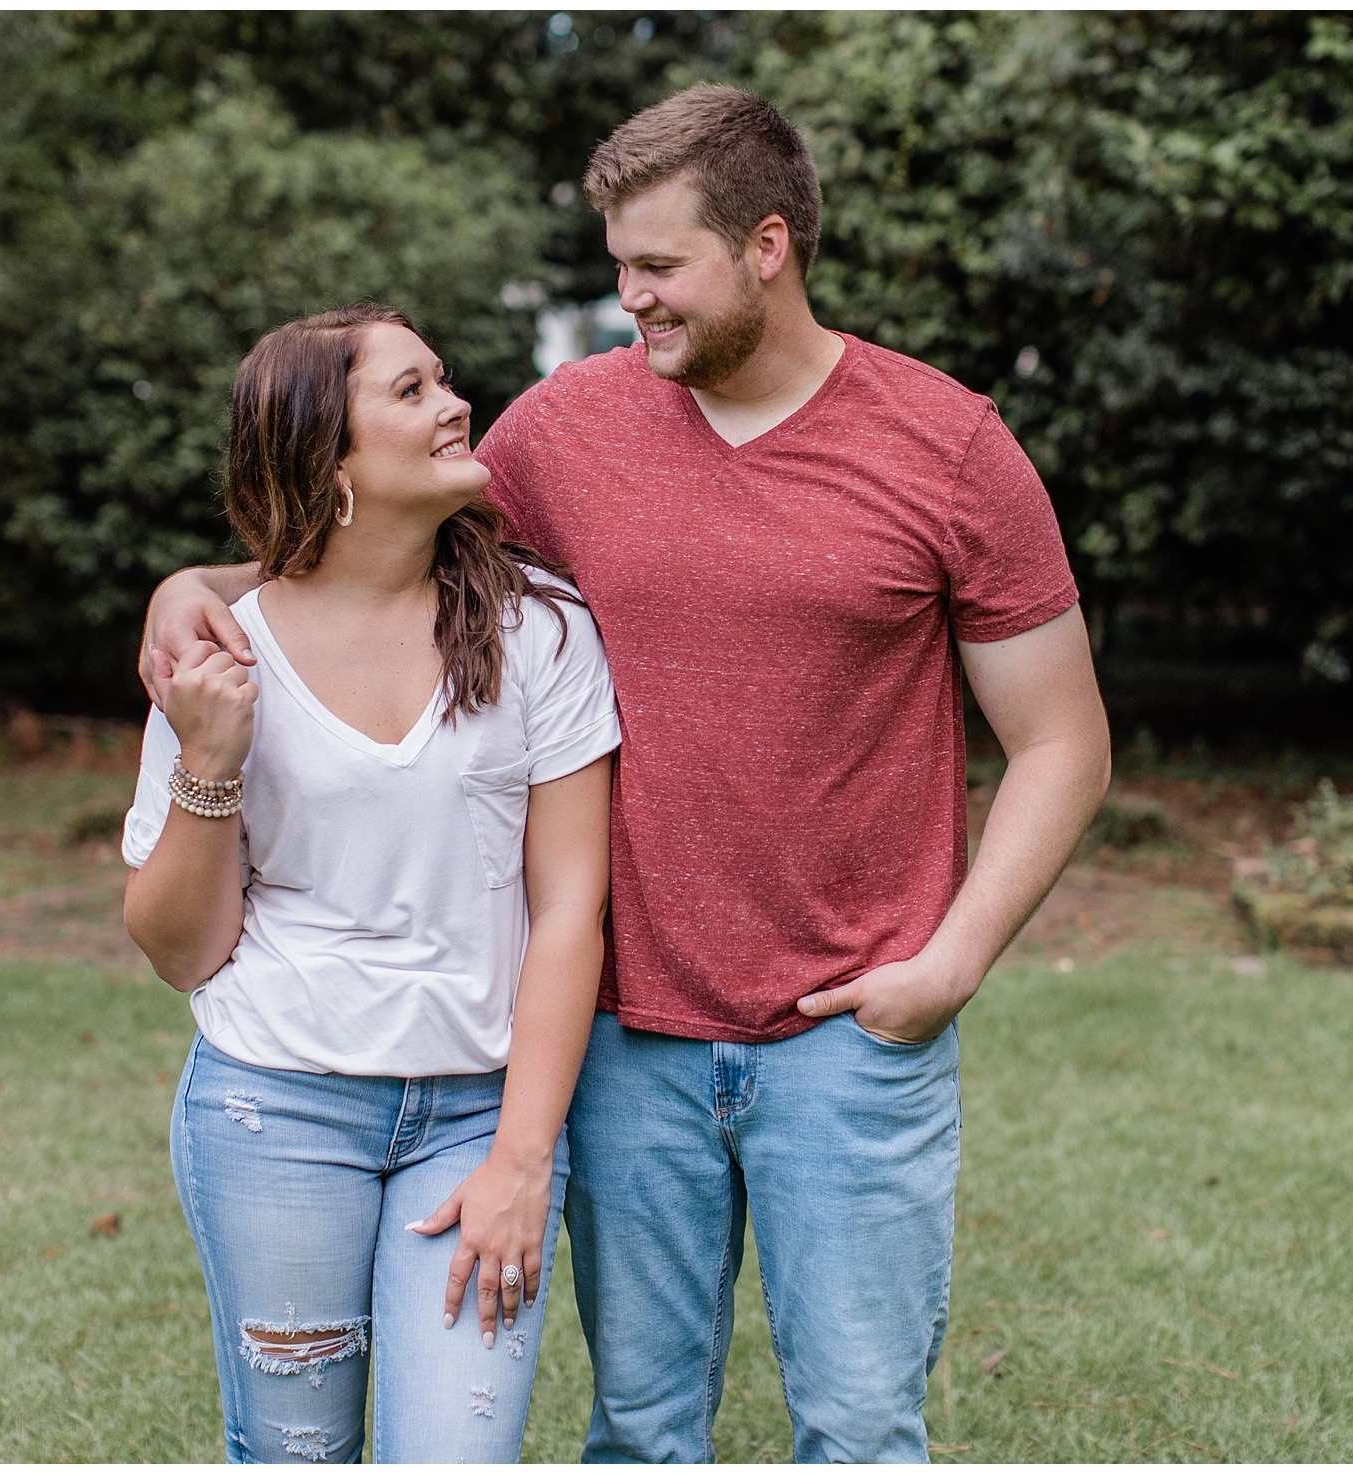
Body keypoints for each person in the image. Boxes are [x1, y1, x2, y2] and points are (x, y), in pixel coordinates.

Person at [141, 87, 1111, 1463]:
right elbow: (358, 557)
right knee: (643, 1432)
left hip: (853, 1030)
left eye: (657, 267)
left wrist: (946, 968)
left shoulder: (948, 447)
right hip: (624, 1039)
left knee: (859, 1426)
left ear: (767, 245)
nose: (629, 300)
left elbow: (1066, 741)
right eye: (617, 267)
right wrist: (196, 587)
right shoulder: (561, 433)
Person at [122, 304, 619, 1463]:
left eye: (441, 378)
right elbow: (179, 947)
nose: (454, 403)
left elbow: (569, 914)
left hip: (476, 1116)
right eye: (410, 391)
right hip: (272, 1113)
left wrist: (521, 1157)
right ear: (327, 460)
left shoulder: (541, 634)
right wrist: (208, 759)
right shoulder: (219, 655)